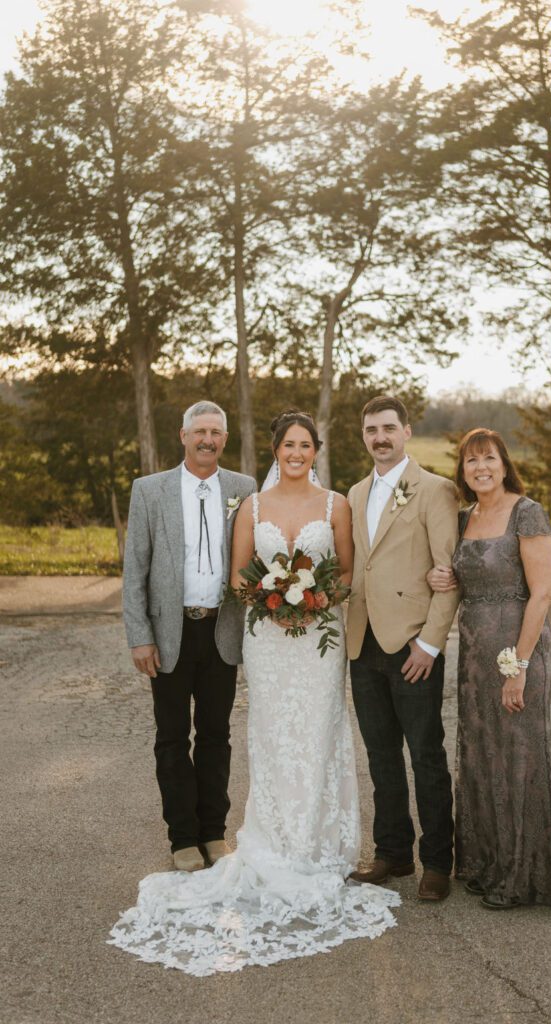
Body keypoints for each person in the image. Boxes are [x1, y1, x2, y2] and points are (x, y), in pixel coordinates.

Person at [110, 411, 398, 975]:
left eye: (304, 444)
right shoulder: (202, 497)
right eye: (287, 444)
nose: (296, 452)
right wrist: (274, 601)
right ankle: (189, 839)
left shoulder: (295, 498)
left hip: (298, 637)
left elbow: (343, 570)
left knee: (275, 735)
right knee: (193, 736)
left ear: (315, 449)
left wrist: (308, 600)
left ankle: (263, 840)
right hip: (236, 632)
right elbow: (207, 573)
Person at [427, 427, 551, 916]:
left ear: (504, 463)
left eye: (488, 458)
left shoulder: (526, 512)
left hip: (517, 648)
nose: (480, 468)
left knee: (518, 758)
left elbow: (542, 594)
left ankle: (521, 877)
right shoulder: (466, 516)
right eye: (471, 461)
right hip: (473, 653)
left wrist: (519, 668)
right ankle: (487, 864)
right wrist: (441, 575)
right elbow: (459, 579)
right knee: (482, 756)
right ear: (463, 471)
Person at [121, 400, 256, 871]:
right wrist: (140, 636)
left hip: (222, 630)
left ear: (224, 439)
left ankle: (214, 834)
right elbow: (134, 569)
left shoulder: (245, 488)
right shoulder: (149, 490)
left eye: (215, 432)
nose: (207, 440)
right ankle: (182, 838)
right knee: (173, 737)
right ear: (183, 437)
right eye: (199, 431)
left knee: (217, 735)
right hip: (169, 633)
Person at [347, 396, 460, 902]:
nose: (380, 438)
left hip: (413, 646)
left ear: (407, 432)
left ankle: (437, 862)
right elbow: (358, 568)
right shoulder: (353, 493)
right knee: (380, 756)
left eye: (389, 428)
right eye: (372, 430)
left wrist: (430, 645)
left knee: (426, 756)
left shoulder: (436, 490)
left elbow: (449, 575)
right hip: (362, 642)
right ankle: (392, 852)